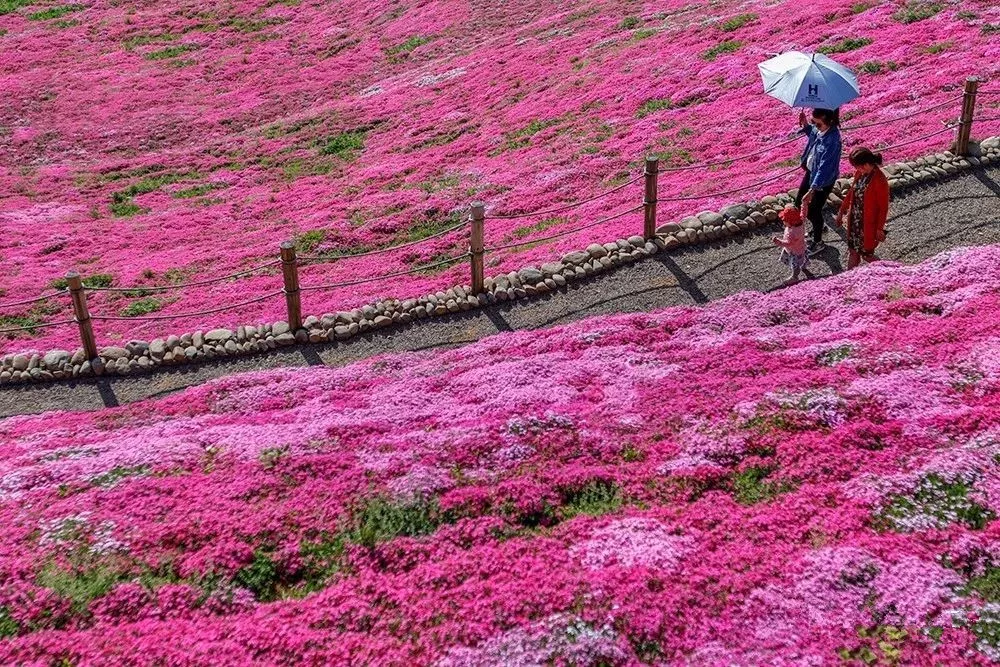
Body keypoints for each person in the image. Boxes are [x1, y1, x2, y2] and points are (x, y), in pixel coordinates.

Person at [795, 107, 843, 257]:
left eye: (818, 124)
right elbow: (814, 134)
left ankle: (818, 242)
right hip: (811, 173)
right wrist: (806, 126)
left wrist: (813, 189)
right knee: (799, 203)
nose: (816, 127)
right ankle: (819, 227)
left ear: (830, 121)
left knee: (814, 210)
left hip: (823, 180)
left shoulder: (833, 140)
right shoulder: (821, 130)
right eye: (813, 122)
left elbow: (825, 167)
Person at [836, 147, 890, 269]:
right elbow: (852, 192)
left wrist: (879, 229)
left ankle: (890, 271)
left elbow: (883, 208)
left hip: (868, 224)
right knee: (853, 251)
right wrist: (841, 211)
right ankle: (848, 280)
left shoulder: (880, 180)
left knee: (867, 254)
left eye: (858, 166)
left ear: (866, 164)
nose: (856, 169)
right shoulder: (860, 173)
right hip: (855, 221)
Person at [772, 205, 809, 285]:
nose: (783, 221)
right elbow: (804, 213)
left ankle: (795, 277)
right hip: (801, 246)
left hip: (795, 251)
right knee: (803, 257)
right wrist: (804, 203)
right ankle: (804, 265)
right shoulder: (801, 221)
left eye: (785, 220)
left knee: (795, 265)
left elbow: (788, 243)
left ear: (791, 221)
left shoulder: (792, 233)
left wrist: (778, 242)